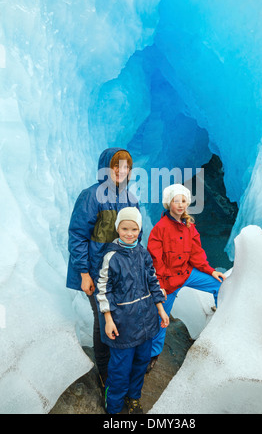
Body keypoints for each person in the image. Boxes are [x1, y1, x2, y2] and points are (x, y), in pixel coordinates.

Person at [66, 148, 140, 389]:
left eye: (125, 166)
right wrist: (84, 273)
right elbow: (77, 236)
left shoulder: (131, 199)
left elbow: (136, 238)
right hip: (96, 273)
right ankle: (105, 372)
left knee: (117, 316)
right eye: (115, 166)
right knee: (102, 319)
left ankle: (117, 367)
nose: (120, 171)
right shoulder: (91, 196)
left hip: (120, 274)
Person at [95, 207, 169, 414]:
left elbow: (153, 282)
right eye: (124, 228)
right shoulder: (111, 257)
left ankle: (134, 398)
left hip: (146, 322)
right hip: (123, 324)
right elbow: (103, 289)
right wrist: (108, 319)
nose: (129, 233)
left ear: (139, 230)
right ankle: (114, 408)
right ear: (118, 228)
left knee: (140, 363)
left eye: (134, 229)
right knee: (120, 370)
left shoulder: (143, 253)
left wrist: (161, 310)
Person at [147, 183, 226, 370]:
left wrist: (209, 270)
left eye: (184, 200)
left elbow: (196, 252)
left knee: (219, 285)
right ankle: (153, 353)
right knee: (161, 318)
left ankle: (221, 324)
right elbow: (155, 261)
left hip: (187, 273)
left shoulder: (189, 225)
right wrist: (160, 286)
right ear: (169, 204)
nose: (181, 205)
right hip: (169, 282)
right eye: (176, 201)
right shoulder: (160, 229)